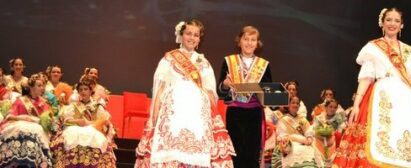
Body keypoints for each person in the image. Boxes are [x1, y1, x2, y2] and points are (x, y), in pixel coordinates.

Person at [332, 7, 411, 167]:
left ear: (402, 25)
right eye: (389, 20)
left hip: (406, 101)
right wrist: (356, 103)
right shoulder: (373, 48)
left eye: (397, 21)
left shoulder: (409, 51)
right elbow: (367, 77)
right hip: (382, 97)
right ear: (382, 23)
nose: (392, 24)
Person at [135, 19, 235, 167]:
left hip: (196, 118)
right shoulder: (169, 59)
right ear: (181, 35)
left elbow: (210, 93)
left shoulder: (204, 63)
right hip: (172, 116)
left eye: (196, 35)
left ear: (200, 39)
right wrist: (154, 117)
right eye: (189, 33)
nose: (192, 38)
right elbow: (160, 89)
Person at [218, 25, 272, 168]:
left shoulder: (263, 65)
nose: (249, 43)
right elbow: (220, 91)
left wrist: (261, 91)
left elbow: (269, 95)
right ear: (239, 41)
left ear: (257, 43)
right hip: (235, 114)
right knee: (236, 154)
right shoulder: (229, 61)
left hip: (254, 114)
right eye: (246, 39)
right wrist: (225, 84)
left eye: (253, 40)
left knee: (252, 155)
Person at [50, 76, 117, 167]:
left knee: (93, 135)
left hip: (93, 131)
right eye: (80, 89)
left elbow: (103, 123)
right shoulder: (73, 106)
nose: (83, 91)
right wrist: (77, 121)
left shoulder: (98, 107)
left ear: (91, 91)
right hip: (75, 130)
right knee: (71, 135)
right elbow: (66, 120)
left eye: (85, 89)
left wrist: (88, 123)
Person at [0, 73, 52, 167]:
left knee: (35, 130)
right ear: (31, 87)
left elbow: (47, 122)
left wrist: (35, 120)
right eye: (39, 85)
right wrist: (21, 117)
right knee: (21, 129)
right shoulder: (20, 100)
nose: (42, 88)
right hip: (19, 125)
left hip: (36, 128)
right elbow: (9, 117)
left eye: (42, 86)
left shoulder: (44, 103)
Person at [271, 96, 324, 168]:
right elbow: (282, 135)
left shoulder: (303, 119)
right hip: (289, 144)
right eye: (293, 103)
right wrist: (296, 139)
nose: (295, 105)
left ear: (299, 106)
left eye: (297, 103)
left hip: (304, 143)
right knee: (296, 150)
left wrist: (309, 139)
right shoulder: (283, 120)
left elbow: (309, 132)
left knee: (310, 150)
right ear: (288, 105)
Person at [310, 98, 346, 166]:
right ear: (326, 107)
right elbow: (314, 128)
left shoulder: (338, 118)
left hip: (333, 142)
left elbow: (342, 129)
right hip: (320, 140)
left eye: (335, 107)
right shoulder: (320, 117)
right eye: (330, 107)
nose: (332, 109)